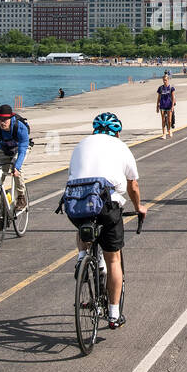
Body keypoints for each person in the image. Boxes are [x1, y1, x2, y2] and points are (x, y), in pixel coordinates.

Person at [67, 113, 147, 330]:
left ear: (94, 130)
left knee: (84, 222)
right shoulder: (120, 147)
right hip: (107, 205)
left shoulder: (80, 145)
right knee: (113, 260)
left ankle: (82, 256)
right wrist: (138, 207)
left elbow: (73, 175)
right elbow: (133, 186)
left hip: (76, 204)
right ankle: (113, 314)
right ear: (117, 132)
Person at [156, 72, 176, 139]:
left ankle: (169, 130)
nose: (164, 81)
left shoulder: (171, 88)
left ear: (168, 80)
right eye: (163, 80)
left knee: (169, 120)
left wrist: (172, 106)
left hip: (169, 105)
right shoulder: (160, 88)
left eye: (166, 80)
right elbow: (158, 98)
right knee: (163, 120)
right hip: (162, 105)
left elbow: (173, 98)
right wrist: (157, 106)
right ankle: (164, 134)